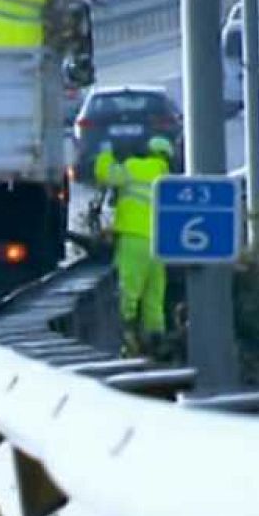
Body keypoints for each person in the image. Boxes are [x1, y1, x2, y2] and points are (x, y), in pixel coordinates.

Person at [95, 135, 174, 358]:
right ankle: (155, 344)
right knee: (154, 297)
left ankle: (125, 340)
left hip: (134, 238)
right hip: (160, 246)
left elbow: (105, 174)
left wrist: (105, 152)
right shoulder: (167, 177)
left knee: (126, 294)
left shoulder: (134, 167)